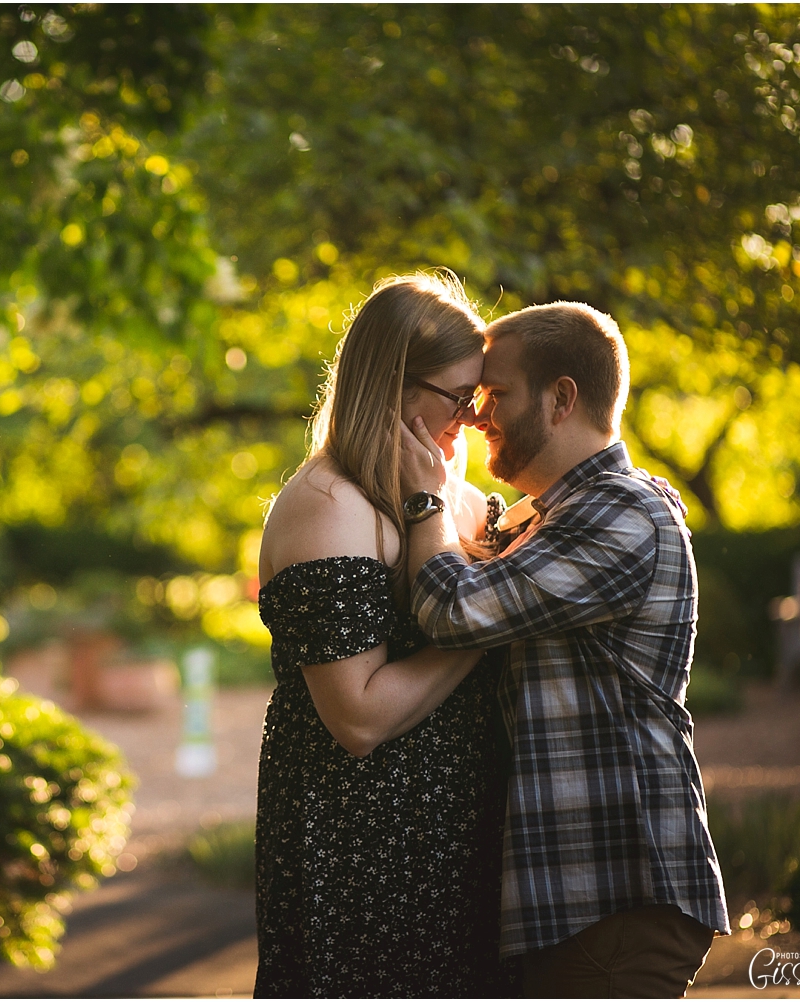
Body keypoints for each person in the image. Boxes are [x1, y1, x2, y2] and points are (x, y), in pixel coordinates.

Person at [398, 301, 730, 998]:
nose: (477, 414)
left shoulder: (621, 512)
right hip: (577, 904)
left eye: (497, 393)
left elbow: (451, 608)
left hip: (614, 894)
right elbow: (482, 556)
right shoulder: (552, 517)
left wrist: (427, 499)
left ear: (562, 398)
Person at [252, 272, 512, 998]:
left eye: (480, 398)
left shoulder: (456, 501)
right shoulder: (328, 505)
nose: (473, 415)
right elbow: (357, 718)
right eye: (457, 397)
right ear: (393, 383)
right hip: (360, 848)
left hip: (463, 838)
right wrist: (483, 629)